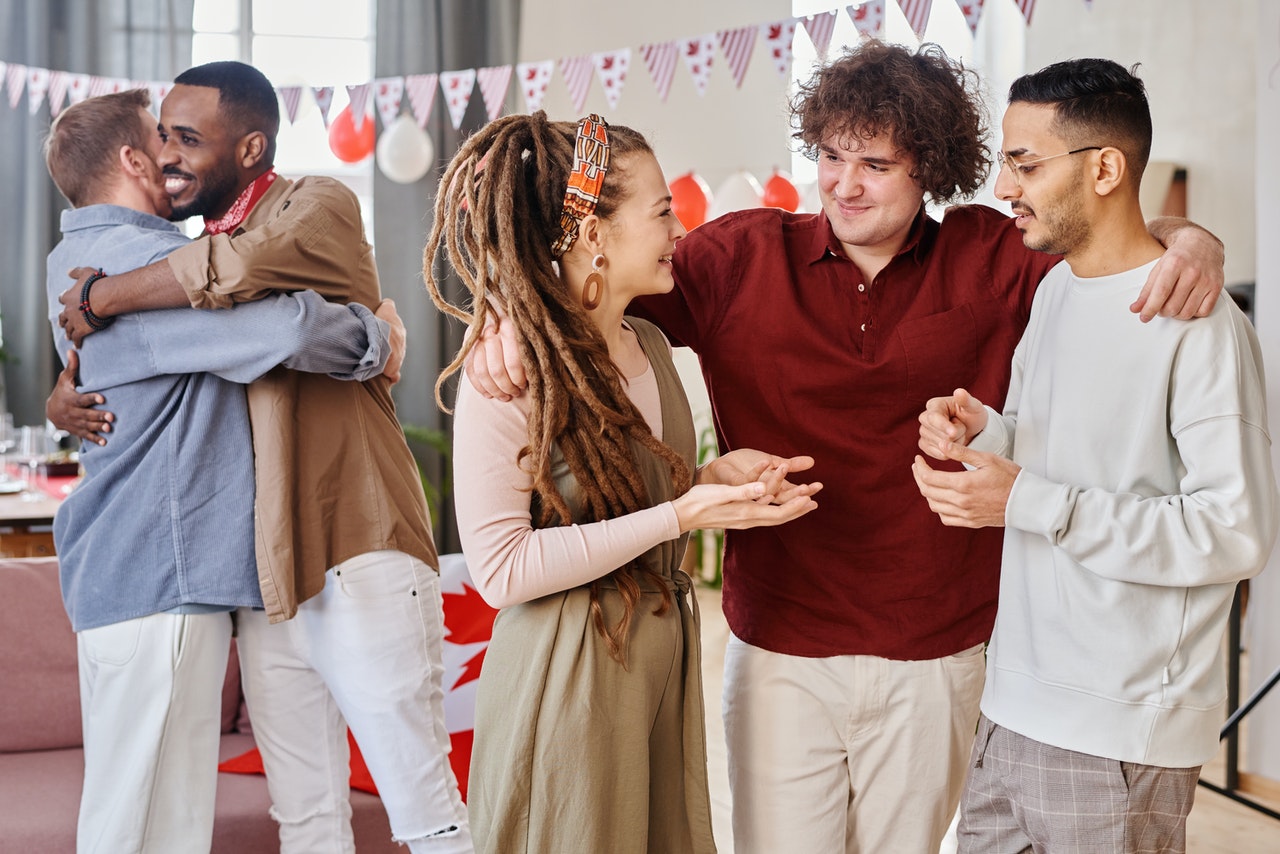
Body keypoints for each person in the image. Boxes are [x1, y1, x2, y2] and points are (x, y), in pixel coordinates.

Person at [462, 41, 1228, 854]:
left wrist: (1190, 239)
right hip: (780, 648)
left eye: (875, 163)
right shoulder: (735, 258)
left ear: (928, 167)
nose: (844, 183)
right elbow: (584, 261)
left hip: (938, 649)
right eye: (830, 156)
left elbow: (1107, 241)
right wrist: (505, 317)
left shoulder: (989, 255)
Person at [47, 62, 471, 854]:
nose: (167, 155)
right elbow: (237, 337)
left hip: (357, 543)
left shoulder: (313, 203)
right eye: (160, 135)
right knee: (303, 818)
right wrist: (59, 391)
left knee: (425, 806)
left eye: (186, 138)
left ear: (248, 147)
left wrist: (104, 298)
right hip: (271, 574)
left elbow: (237, 281)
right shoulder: (169, 248)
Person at [423, 111, 822, 854]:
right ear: (595, 235)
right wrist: (682, 516)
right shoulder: (510, 376)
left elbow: (624, 501)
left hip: (656, 672)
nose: (681, 230)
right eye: (663, 211)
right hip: (568, 685)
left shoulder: (652, 346)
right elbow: (502, 571)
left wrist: (711, 482)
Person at [913, 58, 1279, 853]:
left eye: (1026, 163)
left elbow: (1235, 531)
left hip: (1116, 730)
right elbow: (1067, 451)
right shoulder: (1054, 290)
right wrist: (988, 434)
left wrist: (1027, 502)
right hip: (1011, 706)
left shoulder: (1201, 323)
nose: (1006, 186)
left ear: (1106, 168)